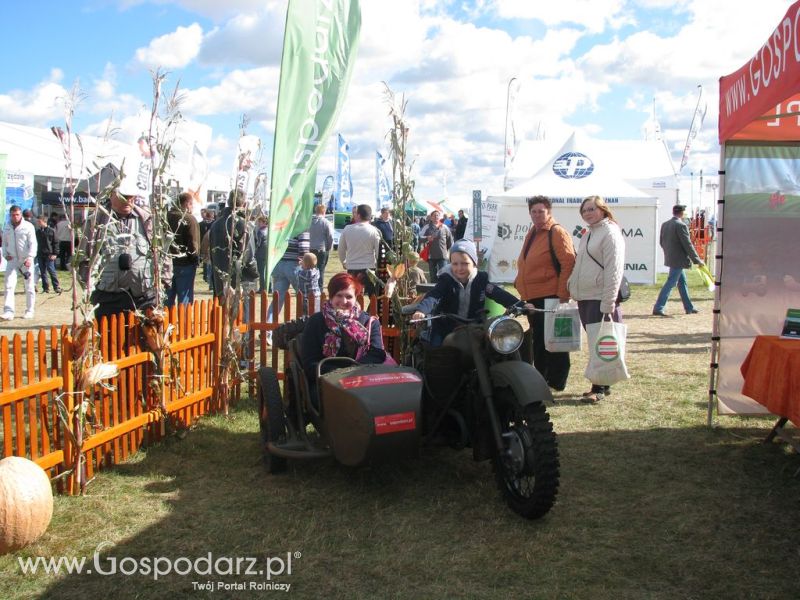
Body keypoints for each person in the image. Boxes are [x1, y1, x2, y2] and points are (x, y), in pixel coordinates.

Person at [78, 179, 171, 323]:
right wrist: (89, 286)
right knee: (111, 342)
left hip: (144, 297)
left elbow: (163, 253)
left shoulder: (147, 220)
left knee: (142, 343)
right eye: (124, 196)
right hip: (108, 297)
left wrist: (164, 282)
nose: (129, 200)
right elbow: (83, 258)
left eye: (132, 196)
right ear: (111, 194)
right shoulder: (96, 222)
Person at [412, 239, 529, 347]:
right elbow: (434, 295)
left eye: (465, 263)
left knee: (492, 348)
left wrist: (521, 305)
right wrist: (421, 310)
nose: (459, 268)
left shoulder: (481, 279)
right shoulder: (446, 280)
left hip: (475, 326)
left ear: (474, 263)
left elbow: (498, 293)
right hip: (446, 325)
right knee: (436, 350)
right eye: (455, 264)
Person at [567, 195, 625, 403]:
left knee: (601, 343)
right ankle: (602, 383)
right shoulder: (590, 233)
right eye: (584, 210)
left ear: (602, 209)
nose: (587, 213)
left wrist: (608, 302)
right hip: (587, 297)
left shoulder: (610, 232)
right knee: (596, 343)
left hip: (600, 298)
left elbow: (614, 270)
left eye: (591, 209)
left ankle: (598, 388)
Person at [514, 196, 576, 392]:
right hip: (534, 296)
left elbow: (568, 263)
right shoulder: (533, 232)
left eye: (541, 211)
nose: (537, 214)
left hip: (550, 295)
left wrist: (562, 294)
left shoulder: (556, 232)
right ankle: (542, 377)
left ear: (549, 211)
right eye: (534, 211)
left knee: (554, 341)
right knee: (539, 340)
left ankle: (555, 380)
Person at [300, 272, 387, 407]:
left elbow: (377, 354)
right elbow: (310, 362)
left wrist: (353, 371)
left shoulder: (369, 322)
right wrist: (338, 375)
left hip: (362, 379)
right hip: (326, 382)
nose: (344, 301)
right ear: (331, 296)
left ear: (356, 297)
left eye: (349, 296)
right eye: (339, 295)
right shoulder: (316, 321)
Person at [652, 204, 704, 317]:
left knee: (682, 283)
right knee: (671, 283)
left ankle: (689, 307)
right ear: (682, 213)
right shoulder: (681, 225)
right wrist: (697, 260)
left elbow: (662, 242)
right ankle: (658, 307)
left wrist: (670, 253)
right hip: (679, 259)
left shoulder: (665, 224)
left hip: (671, 257)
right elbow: (687, 244)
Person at [208, 191, 258, 303]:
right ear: (244, 204)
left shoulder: (216, 224)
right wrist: (255, 274)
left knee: (221, 314)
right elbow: (249, 256)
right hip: (240, 279)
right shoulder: (244, 225)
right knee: (241, 316)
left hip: (220, 278)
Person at [2, 205, 38, 320]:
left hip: (25, 260)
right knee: (8, 285)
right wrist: (5, 254)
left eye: (17, 214)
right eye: (13, 215)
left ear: (21, 214)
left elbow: (33, 243)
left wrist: (30, 257)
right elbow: (4, 243)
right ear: (10, 215)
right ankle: (8, 311)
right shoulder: (7, 227)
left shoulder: (28, 226)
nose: (15, 217)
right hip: (12, 260)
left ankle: (30, 310)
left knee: (29, 286)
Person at [338, 204, 381, 298]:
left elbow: (341, 249)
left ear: (358, 215)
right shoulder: (374, 231)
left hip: (352, 266)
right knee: (372, 295)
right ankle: (372, 311)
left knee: (352, 294)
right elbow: (378, 251)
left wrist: (343, 261)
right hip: (369, 267)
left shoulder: (347, 229)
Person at [165, 192, 201, 307]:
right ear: (187, 204)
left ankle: (166, 323)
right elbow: (193, 243)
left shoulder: (165, 217)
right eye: (192, 205)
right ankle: (183, 324)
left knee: (167, 298)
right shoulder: (189, 219)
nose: (192, 208)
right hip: (185, 263)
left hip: (166, 263)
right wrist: (195, 259)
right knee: (184, 299)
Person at [422, 210, 453, 284]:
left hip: (442, 255)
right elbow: (419, 237)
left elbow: (450, 240)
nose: (436, 217)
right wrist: (427, 238)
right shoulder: (427, 227)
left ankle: (444, 291)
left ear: (439, 217)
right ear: (431, 217)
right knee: (433, 276)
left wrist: (445, 249)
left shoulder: (444, 227)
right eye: (434, 215)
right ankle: (434, 292)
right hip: (431, 255)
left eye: (437, 215)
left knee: (444, 275)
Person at [35, 214, 62, 294]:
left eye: (39, 222)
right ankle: (45, 288)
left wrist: (55, 253)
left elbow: (56, 243)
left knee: (51, 270)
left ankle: (56, 286)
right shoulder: (38, 232)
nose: (38, 223)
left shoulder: (51, 231)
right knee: (42, 272)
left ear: (44, 222)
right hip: (40, 254)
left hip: (49, 254)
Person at [308, 203, 334, 287]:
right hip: (321, 249)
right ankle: (319, 288)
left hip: (310, 249)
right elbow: (330, 236)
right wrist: (329, 248)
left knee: (310, 269)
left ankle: (310, 286)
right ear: (324, 211)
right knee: (320, 270)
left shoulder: (310, 222)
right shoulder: (326, 222)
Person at [298, 252, 321, 316]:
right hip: (317, 297)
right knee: (316, 314)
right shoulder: (316, 272)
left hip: (306, 298)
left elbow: (298, 272)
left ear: (305, 264)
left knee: (305, 314)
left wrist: (300, 266)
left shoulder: (303, 273)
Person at [254, 216, 269, 293]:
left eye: (259, 222)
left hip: (260, 254)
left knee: (261, 271)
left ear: (263, 222)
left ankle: (262, 288)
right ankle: (269, 287)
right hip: (267, 253)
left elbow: (258, 244)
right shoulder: (268, 231)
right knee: (267, 271)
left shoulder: (260, 231)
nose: (258, 224)